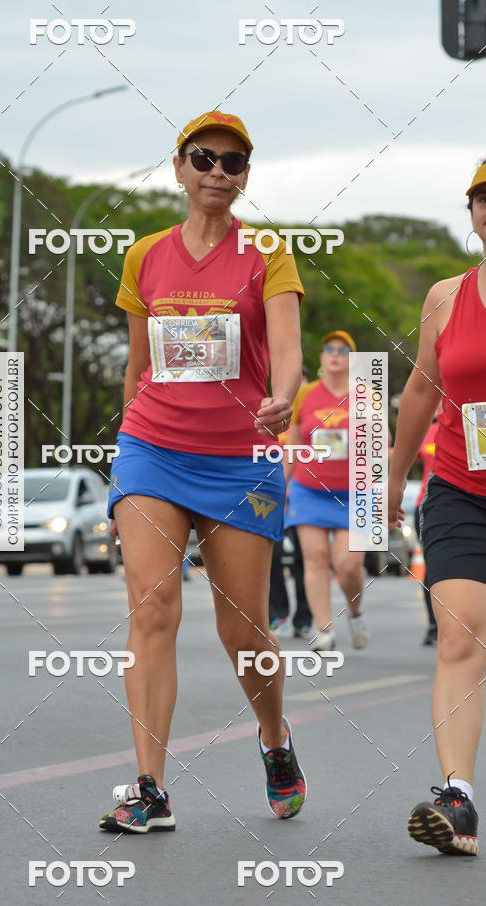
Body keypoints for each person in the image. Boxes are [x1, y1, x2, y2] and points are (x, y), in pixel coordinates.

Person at [99, 111, 307, 834]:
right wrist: (125, 448)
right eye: (204, 158)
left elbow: (288, 349)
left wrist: (285, 396)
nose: (218, 172)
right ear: (180, 168)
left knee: (243, 629)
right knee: (152, 608)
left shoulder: (267, 253)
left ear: (246, 175)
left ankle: (274, 738)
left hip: (240, 460)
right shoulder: (144, 256)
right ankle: (149, 788)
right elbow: (138, 364)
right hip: (152, 448)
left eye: (233, 161)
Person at [388, 160, 486, 857]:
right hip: (458, 489)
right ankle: (459, 801)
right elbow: (421, 390)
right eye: (482, 199)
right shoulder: (447, 297)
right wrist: (392, 479)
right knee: (458, 637)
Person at [284, 331, 370, 652]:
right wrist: (279, 488)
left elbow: (383, 444)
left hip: (354, 493)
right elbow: (293, 446)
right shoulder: (305, 395)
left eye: (342, 350)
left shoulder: (365, 395)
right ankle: (324, 631)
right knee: (315, 559)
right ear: (322, 357)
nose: (335, 354)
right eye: (329, 349)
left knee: (347, 565)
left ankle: (355, 612)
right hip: (309, 490)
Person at [269, 366, 313, 640]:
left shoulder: (316, 418)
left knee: (304, 559)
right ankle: (278, 612)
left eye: (302, 385)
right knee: (271, 557)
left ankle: (304, 618)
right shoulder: (270, 416)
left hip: (305, 496)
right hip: (273, 495)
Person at [415, 414, 439, 645]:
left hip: (471, 503)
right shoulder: (426, 429)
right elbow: (400, 454)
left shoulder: (473, 417)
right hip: (427, 504)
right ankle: (434, 625)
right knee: (433, 567)